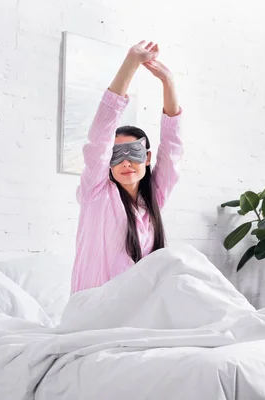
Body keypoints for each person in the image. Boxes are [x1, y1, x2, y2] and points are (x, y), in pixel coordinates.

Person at [71, 40, 183, 293]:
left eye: (133, 153)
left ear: (147, 157)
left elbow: (172, 146)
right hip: (94, 310)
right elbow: (100, 135)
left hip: (141, 308)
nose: (125, 162)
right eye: (116, 155)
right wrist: (131, 63)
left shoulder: (154, 197)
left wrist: (168, 82)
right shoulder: (95, 193)